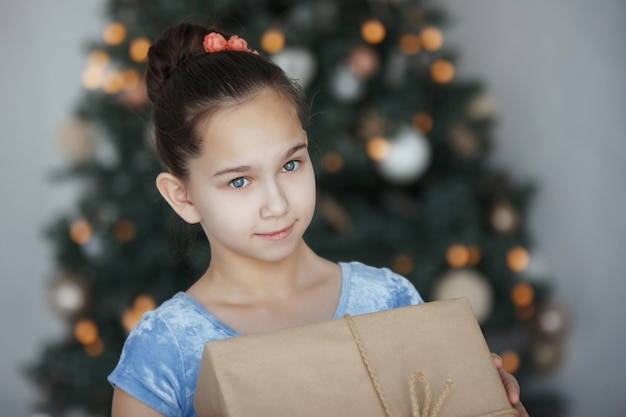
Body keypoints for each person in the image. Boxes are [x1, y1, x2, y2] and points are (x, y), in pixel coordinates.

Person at [108, 22, 529, 417]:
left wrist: (485, 398)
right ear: (182, 197)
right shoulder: (166, 351)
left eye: (290, 165)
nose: (277, 204)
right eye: (239, 181)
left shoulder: (388, 299)